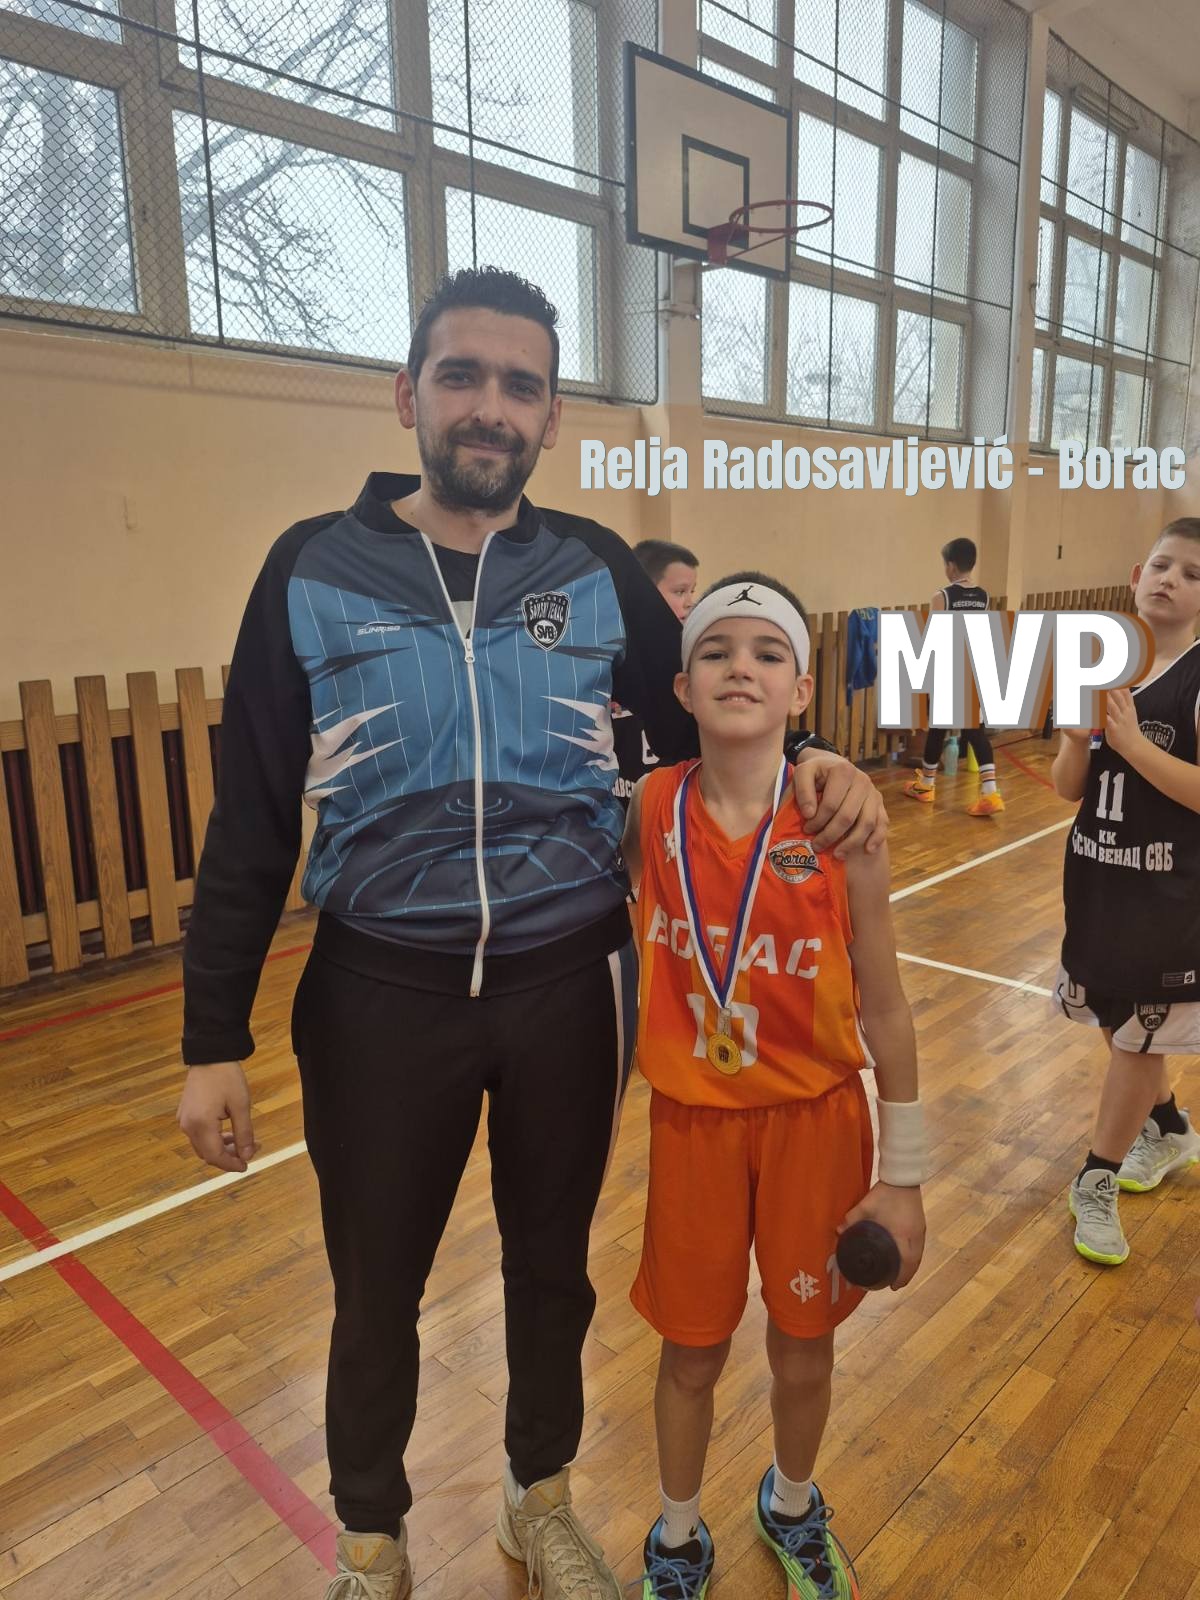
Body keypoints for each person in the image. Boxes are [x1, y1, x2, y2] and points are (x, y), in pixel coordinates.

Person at [174, 268, 889, 1600]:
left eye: (521, 385)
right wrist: (211, 1036)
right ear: (409, 394)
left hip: (572, 985)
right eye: (462, 375)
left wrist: (814, 765)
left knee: (550, 1270)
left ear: (552, 416)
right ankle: (373, 1543)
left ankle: (537, 1498)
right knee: (376, 1287)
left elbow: (713, 722)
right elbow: (254, 814)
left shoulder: (596, 570)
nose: (489, 407)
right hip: (378, 993)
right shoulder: (311, 568)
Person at [621, 573, 926, 1599]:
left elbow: (888, 1009)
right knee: (690, 1354)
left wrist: (905, 1177)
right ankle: (676, 1532)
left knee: (803, 1349)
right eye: (715, 651)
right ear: (681, 686)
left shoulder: (841, 825)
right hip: (695, 1126)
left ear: (801, 689)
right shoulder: (648, 809)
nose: (739, 668)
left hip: (817, 1125)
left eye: (766, 653)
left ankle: (791, 1502)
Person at [1052, 518, 1200, 1267]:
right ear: (1138, 574)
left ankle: (1096, 1179)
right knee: (1122, 1025)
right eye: (1163, 565)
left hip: (1171, 901)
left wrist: (1135, 745)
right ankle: (1168, 1128)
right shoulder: (1100, 664)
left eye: (1193, 574)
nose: (1171, 579)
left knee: (1141, 1038)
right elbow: (1067, 787)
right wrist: (1075, 739)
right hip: (1099, 879)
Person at [902, 537, 1005, 817]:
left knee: (942, 728)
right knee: (967, 730)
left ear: (950, 565)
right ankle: (981, 790)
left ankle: (936, 787)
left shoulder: (942, 596)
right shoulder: (983, 596)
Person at [612, 541, 700, 799]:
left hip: (669, 799)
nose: (690, 602)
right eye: (680, 591)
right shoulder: (611, 650)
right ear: (644, 593)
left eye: (692, 591)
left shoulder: (691, 660)